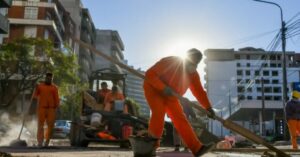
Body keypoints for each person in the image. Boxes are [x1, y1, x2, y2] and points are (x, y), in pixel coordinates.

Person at [143, 48, 216, 157]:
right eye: (191, 61)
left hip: (171, 96)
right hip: (154, 89)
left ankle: (197, 148)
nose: (193, 65)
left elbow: (199, 92)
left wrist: (208, 107)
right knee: (158, 112)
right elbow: (150, 74)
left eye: (196, 63)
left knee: (180, 119)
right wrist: (162, 87)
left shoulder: (193, 75)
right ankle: (151, 146)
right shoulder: (171, 62)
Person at [31, 72, 59, 147]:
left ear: (52, 79)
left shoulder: (54, 88)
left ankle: (47, 142)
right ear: (45, 78)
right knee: (40, 125)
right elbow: (35, 96)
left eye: (50, 78)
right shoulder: (40, 86)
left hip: (51, 109)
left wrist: (57, 108)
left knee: (50, 126)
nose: (49, 79)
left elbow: (57, 99)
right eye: (47, 78)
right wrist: (35, 88)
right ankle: (40, 142)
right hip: (41, 108)